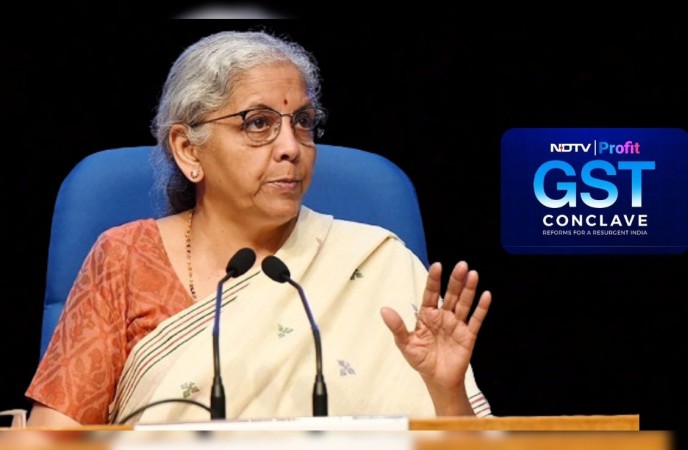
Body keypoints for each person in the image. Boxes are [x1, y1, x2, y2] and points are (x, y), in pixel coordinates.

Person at [25, 30, 493, 426]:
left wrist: (445, 390)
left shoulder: (376, 263)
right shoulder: (124, 258)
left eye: (303, 122)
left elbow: (463, 443)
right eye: (258, 123)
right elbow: (52, 440)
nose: (291, 146)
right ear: (188, 149)